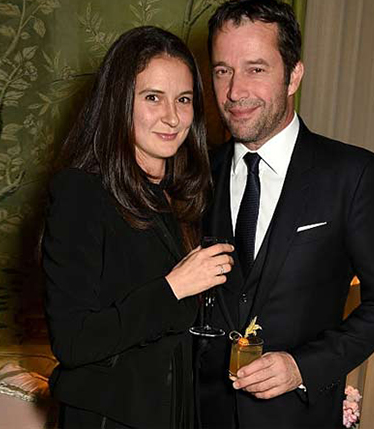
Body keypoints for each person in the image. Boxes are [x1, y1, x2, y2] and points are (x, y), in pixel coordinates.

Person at [197, 0, 374, 428]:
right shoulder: (196, 174)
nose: (235, 92)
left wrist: (303, 367)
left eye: (256, 69)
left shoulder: (352, 174)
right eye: (223, 71)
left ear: (294, 75)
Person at [42, 26, 234, 429]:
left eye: (184, 99)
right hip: (110, 418)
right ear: (119, 102)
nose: (172, 117)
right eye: (152, 97)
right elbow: (73, 341)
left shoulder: (190, 192)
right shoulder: (81, 191)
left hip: (178, 412)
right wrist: (172, 288)